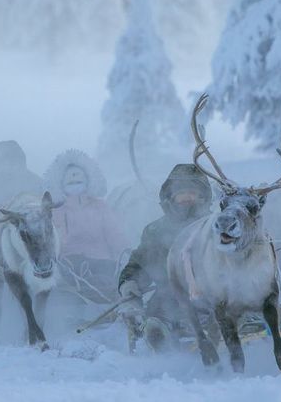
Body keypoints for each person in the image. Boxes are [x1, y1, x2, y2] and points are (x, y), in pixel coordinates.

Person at [117, 163, 213, 352]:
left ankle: (220, 333)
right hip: (168, 296)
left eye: (192, 192)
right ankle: (159, 335)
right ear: (170, 196)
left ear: (203, 196)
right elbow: (138, 265)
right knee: (162, 309)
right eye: (181, 192)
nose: (187, 198)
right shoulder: (155, 231)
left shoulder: (217, 226)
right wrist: (130, 286)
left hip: (212, 293)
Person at [43, 149, 127, 306]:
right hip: (69, 262)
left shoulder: (100, 206)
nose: (75, 186)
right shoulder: (56, 211)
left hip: (102, 258)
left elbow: (114, 233)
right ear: (61, 185)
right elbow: (51, 240)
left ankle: (107, 299)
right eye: (71, 183)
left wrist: (123, 254)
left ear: (88, 181)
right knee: (79, 275)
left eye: (79, 182)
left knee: (106, 275)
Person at [0, 140, 44, 219]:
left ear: (20, 162)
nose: (9, 166)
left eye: (13, 161)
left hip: (32, 226)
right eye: (5, 162)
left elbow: (50, 207)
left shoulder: (36, 184)